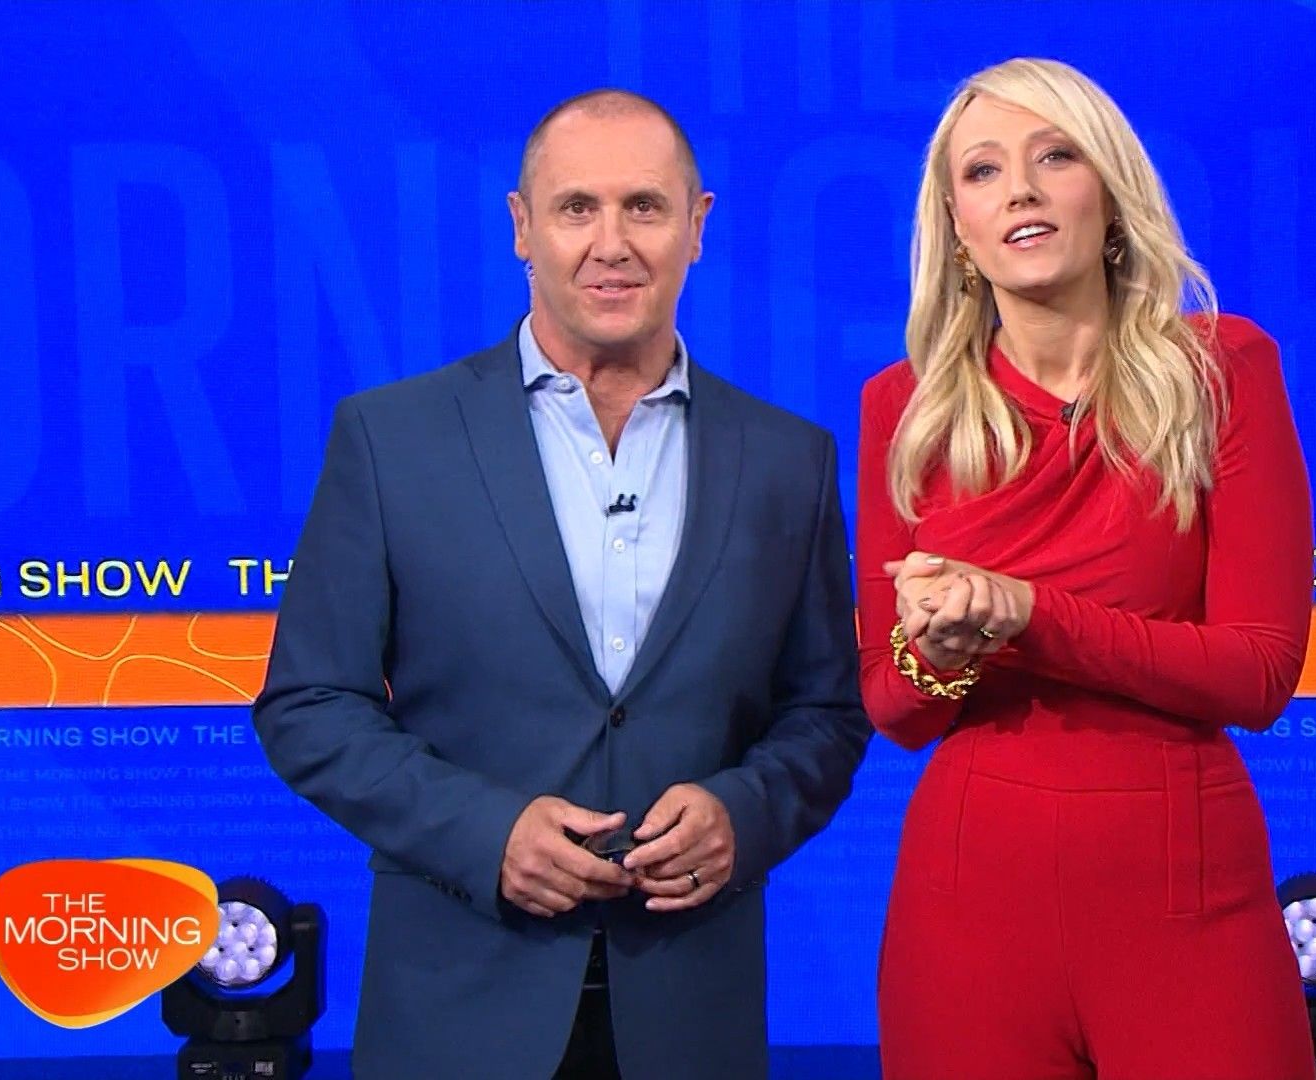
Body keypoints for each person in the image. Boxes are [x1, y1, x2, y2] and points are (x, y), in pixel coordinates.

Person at [253, 89, 871, 1080]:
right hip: (457, 1012)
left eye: (645, 207)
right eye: (577, 207)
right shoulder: (391, 439)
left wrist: (743, 814)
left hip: (691, 1015)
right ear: (522, 227)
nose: (611, 244)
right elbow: (309, 704)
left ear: (697, 226)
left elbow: (827, 714)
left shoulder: (788, 458)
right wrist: (485, 833)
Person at [857, 58, 1316, 1079]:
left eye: (1054, 157)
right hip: (969, 899)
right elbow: (894, 706)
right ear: (959, 228)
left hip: (1184, 885)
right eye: (983, 171)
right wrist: (942, 652)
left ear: (1108, 194)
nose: (1019, 190)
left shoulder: (1221, 371)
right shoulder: (906, 409)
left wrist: (1028, 614)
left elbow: (1259, 672)